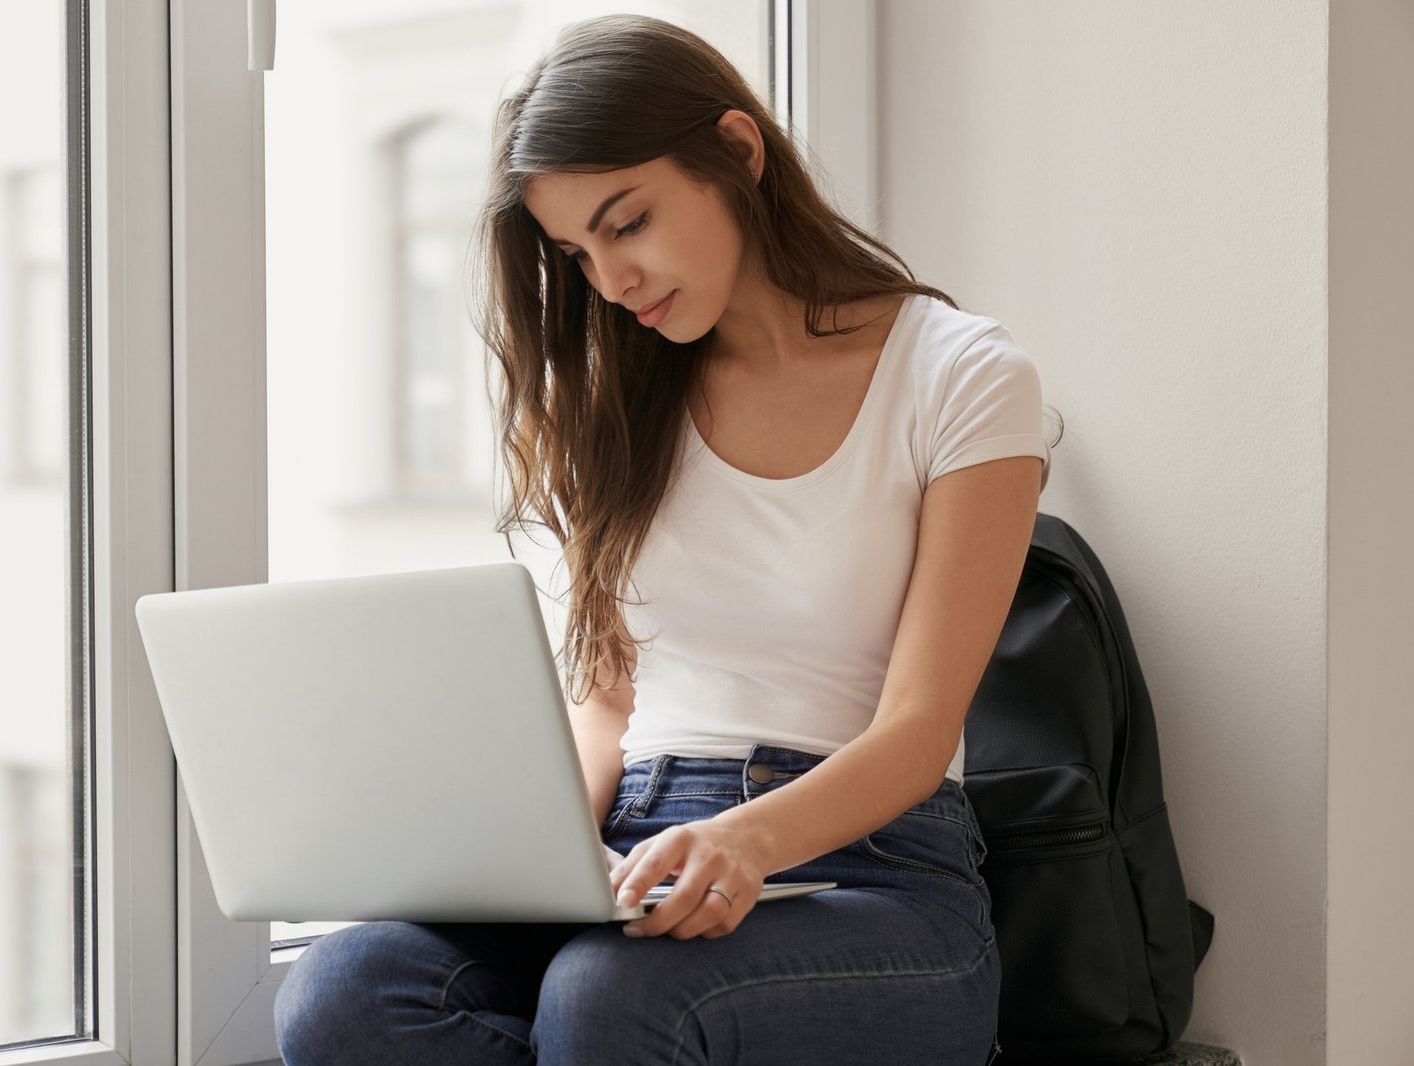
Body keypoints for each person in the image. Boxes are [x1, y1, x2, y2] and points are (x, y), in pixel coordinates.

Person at [275, 13, 1058, 1065]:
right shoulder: (618, 404)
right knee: (344, 989)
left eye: (627, 223)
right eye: (575, 253)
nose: (610, 281)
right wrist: (543, 855)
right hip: (639, 845)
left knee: (614, 998)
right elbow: (607, 707)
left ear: (736, 151)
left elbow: (917, 734)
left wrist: (743, 841)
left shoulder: (960, 376)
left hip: (877, 874)